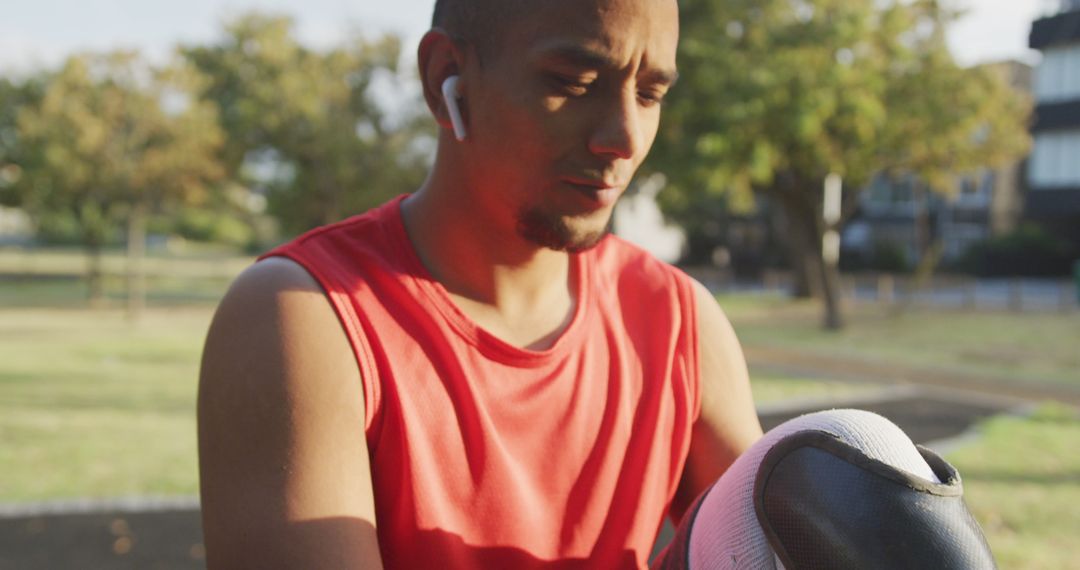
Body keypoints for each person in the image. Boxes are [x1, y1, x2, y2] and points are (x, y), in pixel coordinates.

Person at [198, 0, 996, 568]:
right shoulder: (304, 318)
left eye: (650, 92)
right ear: (448, 75)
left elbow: (773, 540)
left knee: (857, 464)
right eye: (573, 78)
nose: (622, 136)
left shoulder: (677, 321)